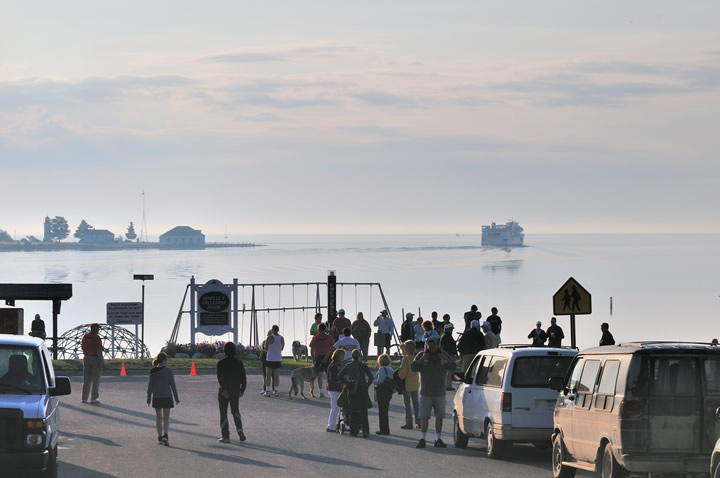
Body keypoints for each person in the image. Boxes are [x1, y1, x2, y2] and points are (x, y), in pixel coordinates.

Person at [411, 334, 456, 449]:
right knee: (424, 417)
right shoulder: (422, 355)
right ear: (427, 345)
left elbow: (453, 366)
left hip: (440, 392)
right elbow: (413, 367)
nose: (432, 347)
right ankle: (422, 438)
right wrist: (422, 359)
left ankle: (437, 439)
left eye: (434, 344)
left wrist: (445, 360)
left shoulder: (443, 354)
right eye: (429, 344)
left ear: (437, 345)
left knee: (439, 417)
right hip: (425, 392)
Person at [216, 342, 247, 443]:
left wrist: (224, 390)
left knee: (223, 413)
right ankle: (240, 430)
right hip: (235, 391)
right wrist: (242, 390)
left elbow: (220, 378)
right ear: (235, 350)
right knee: (235, 411)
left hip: (224, 392)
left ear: (224, 351)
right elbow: (243, 378)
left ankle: (226, 436)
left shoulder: (221, 363)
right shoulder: (239, 363)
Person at [146, 352, 179, 446]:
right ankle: (165, 435)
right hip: (167, 396)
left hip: (157, 397)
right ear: (164, 360)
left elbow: (150, 386)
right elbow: (173, 385)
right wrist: (176, 398)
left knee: (158, 418)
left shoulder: (153, 371)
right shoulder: (168, 371)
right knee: (166, 418)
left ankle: (159, 436)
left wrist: (148, 398)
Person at [339, 349, 374, 438]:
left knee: (352, 410)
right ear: (359, 356)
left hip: (351, 389)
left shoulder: (348, 365)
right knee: (363, 410)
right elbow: (371, 377)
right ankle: (365, 431)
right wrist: (367, 385)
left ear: (352, 356)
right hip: (362, 389)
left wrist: (346, 382)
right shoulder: (363, 366)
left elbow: (339, 375)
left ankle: (353, 430)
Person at [81, 323, 105, 404]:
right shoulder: (96, 337)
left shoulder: (85, 336)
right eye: (97, 328)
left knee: (86, 379)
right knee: (95, 379)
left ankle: (84, 398)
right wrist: (101, 361)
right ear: (94, 328)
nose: (98, 330)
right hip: (95, 358)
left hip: (86, 357)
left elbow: (82, 347)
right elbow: (99, 350)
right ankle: (94, 398)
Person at [309, 323, 334, 397]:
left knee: (320, 375)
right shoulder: (329, 337)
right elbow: (333, 347)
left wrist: (313, 359)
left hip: (318, 357)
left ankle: (321, 392)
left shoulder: (315, 337)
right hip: (327, 357)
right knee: (329, 374)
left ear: (319, 329)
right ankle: (330, 391)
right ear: (325, 329)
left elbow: (312, 349)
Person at [373, 353, 394, 435]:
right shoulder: (390, 369)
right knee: (385, 410)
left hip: (382, 391)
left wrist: (373, 381)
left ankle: (383, 429)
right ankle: (386, 428)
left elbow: (380, 381)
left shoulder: (382, 369)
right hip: (388, 391)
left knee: (382, 411)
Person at [325, 348, 346, 432]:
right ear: (339, 356)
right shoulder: (334, 366)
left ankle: (339, 424)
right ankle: (330, 425)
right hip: (334, 388)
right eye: (342, 356)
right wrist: (344, 381)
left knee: (338, 407)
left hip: (334, 388)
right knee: (335, 407)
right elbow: (336, 378)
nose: (343, 358)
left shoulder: (336, 365)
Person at [263, 325, 284, 397]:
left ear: (272, 330)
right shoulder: (281, 338)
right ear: (278, 330)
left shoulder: (269, 337)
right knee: (276, 376)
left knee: (268, 376)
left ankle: (268, 390)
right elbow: (282, 348)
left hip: (270, 358)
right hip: (278, 358)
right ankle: (276, 390)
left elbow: (265, 348)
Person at [440, 323, 458, 390]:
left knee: (448, 372)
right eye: (450, 329)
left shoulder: (446, 336)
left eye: (451, 329)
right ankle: (448, 386)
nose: (451, 330)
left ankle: (447, 385)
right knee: (449, 371)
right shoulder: (446, 337)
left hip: (449, 355)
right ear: (446, 329)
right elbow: (445, 348)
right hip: (448, 356)